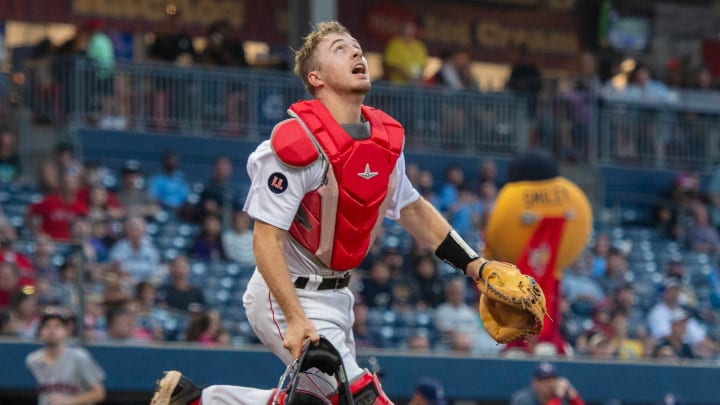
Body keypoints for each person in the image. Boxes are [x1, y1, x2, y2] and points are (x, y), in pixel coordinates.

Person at [151, 21, 503, 405]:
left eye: (356, 46)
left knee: (313, 402)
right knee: (361, 398)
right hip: (286, 293)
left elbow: (413, 209)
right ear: (315, 77)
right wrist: (295, 316)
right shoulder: (295, 142)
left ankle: (194, 401)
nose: (356, 52)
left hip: (338, 295)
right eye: (340, 48)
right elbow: (265, 237)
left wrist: (476, 267)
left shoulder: (383, 139)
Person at [25, 310, 106, 405]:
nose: (51, 330)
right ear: (40, 331)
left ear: (66, 331)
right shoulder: (33, 360)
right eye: (47, 326)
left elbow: (99, 393)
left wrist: (69, 401)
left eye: (57, 326)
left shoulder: (79, 357)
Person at [509, 362, 585, 405]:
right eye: (544, 380)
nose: (549, 384)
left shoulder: (563, 398)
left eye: (551, 379)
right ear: (535, 382)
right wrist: (557, 397)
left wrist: (573, 396)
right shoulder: (522, 400)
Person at [383, 20, 428, 86]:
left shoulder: (420, 46)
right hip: (398, 87)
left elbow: (423, 66)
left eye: (412, 27)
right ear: (402, 28)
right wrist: (409, 78)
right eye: (407, 27)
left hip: (415, 86)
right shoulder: (394, 44)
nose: (409, 30)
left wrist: (419, 79)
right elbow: (393, 65)